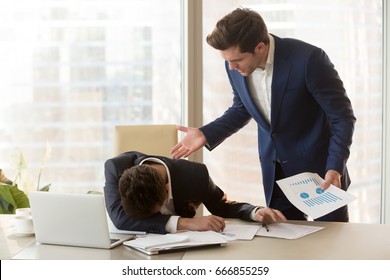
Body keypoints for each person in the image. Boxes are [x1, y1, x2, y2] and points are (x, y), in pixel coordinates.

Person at [170, 7, 356, 222]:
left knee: (332, 245)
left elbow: (342, 116)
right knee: (285, 246)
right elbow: (242, 109)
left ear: (260, 47)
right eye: (227, 60)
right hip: (276, 175)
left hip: (322, 174)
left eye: (237, 60)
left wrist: (335, 166)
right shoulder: (235, 64)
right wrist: (205, 134)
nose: (231, 67)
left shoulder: (309, 59)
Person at [104, 151, 286, 234]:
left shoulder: (195, 176)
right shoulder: (116, 169)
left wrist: (254, 212)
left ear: (166, 191)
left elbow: (221, 207)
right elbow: (120, 219)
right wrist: (188, 223)